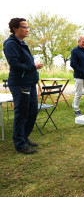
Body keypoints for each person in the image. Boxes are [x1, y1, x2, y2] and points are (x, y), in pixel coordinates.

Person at [3, 18, 44, 154]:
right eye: (24, 27)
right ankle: (20, 144)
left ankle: (24, 137)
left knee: (32, 111)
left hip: (30, 83)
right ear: (15, 28)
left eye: (28, 27)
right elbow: (15, 65)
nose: (27, 30)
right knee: (21, 113)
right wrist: (33, 66)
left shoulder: (22, 43)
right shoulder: (10, 44)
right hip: (20, 84)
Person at [70, 36, 84, 116]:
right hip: (79, 76)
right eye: (83, 42)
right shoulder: (75, 51)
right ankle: (76, 109)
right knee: (79, 93)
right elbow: (73, 64)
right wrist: (82, 71)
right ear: (79, 42)